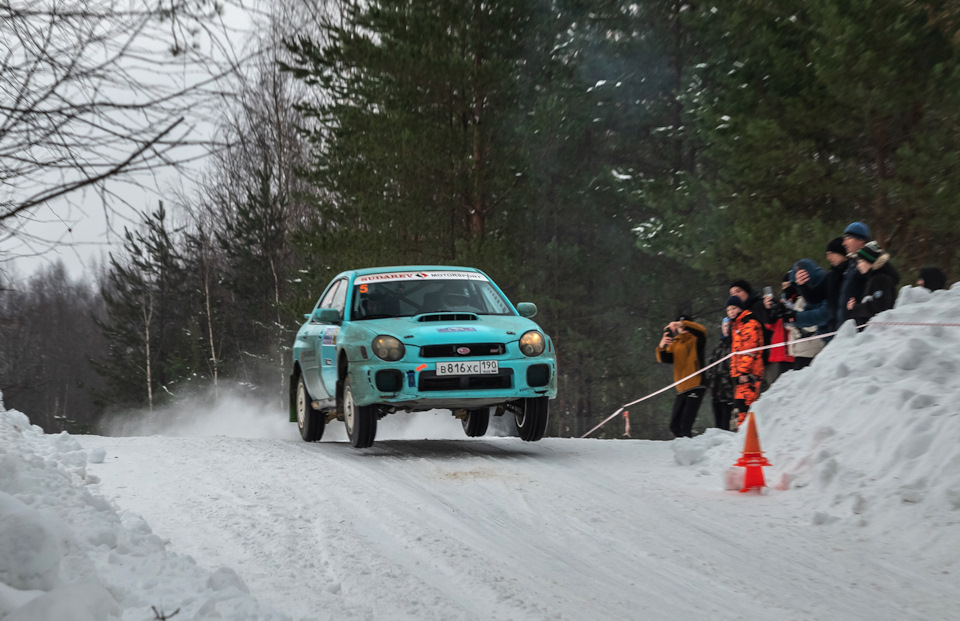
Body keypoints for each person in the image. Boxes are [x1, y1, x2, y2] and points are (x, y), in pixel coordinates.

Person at [656, 316, 708, 438]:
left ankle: (689, 451)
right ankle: (685, 448)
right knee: (674, 425)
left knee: (685, 424)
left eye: (683, 325)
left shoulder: (696, 338)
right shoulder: (676, 343)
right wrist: (661, 346)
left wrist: (680, 323)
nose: (681, 328)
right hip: (682, 388)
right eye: (678, 327)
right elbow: (665, 358)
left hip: (696, 385)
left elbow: (701, 330)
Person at [789, 237, 848, 341]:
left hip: (844, 333)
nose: (828, 258)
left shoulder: (849, 273)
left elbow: (825, 313)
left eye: (830, 253)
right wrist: (802, 285)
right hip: (831, 336)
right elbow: (814, 298)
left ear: (841, 252)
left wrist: (795, 317)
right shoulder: (832, 275)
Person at [725, 296, 764, 428]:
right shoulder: (735, 326)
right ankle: (742, 440)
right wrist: (734, 372)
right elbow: (735, 353)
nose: (731, 312)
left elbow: (749, 350)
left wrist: (743, 371)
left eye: (734, 308)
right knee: (740, 408)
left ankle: (751, 437)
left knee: (748, 407)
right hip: (739, 376)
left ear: (740, 308)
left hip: (749, 375)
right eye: (728, 310)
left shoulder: (749, 324)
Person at [847, 241, 900, 326]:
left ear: (870, 261)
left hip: (878, 333)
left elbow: (880, 306)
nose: (858, 266)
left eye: (860, 262)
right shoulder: (874, 278)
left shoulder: (881, 279)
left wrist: (856, 308)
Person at [703, 317, 735, 431]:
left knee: (727, 424)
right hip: (716, 391)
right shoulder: (718, 347)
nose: (726, 329)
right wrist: (708, 382)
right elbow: (711, 366)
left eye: (728, 326)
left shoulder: (735, 344)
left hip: (728, 392)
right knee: (718, 425)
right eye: (724, 326)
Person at [838, 221, 871, 326]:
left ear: (861, 241)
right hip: (844, 327)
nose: (844, 243)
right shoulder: (851, 263)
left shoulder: (869, 263)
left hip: (859, 329)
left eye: (848, 238)